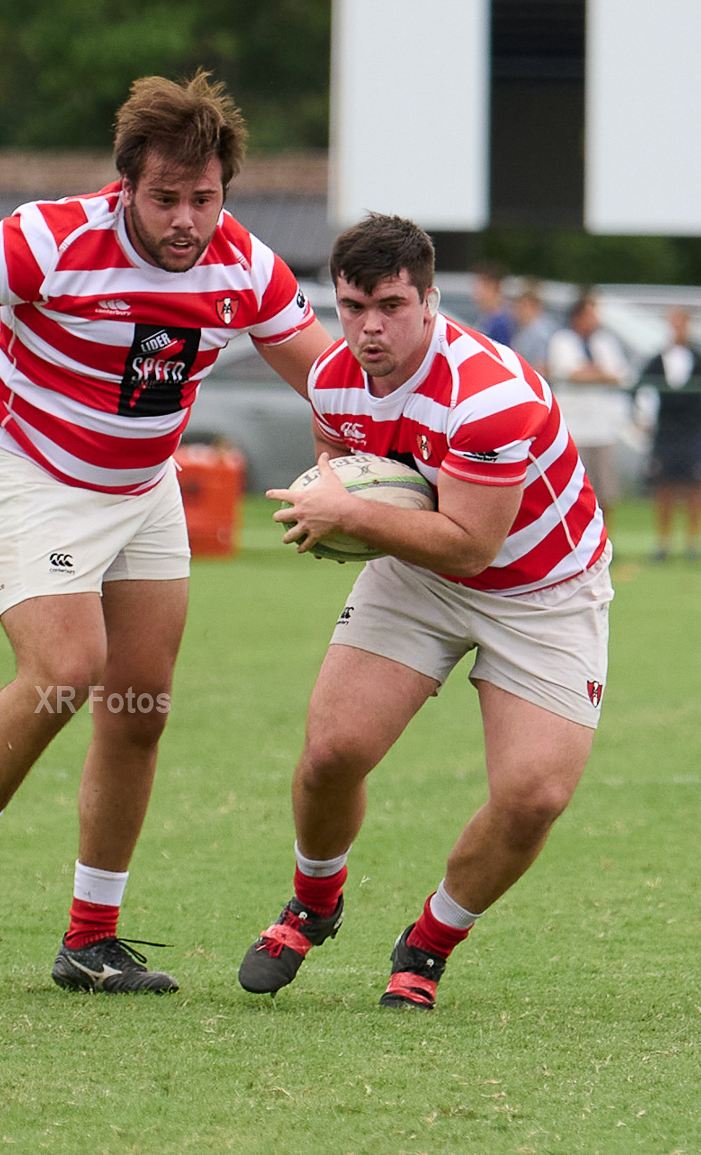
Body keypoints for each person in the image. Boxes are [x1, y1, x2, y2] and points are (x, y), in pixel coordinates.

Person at [0, 71, 331, 994]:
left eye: (203, 198)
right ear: (126, 183)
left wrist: (363, 468)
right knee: (63, 670)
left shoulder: (244, 266)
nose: (185, 219)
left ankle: (90, 939)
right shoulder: (49, 240)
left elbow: (326, 382)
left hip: (140, 484)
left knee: (140, 707)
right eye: (165, 198)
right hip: (22, 467)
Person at [242, 213, 610, 1010]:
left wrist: (349, 515)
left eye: (392, 304)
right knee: (332, 749)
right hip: (418, 569)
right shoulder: (335, 375)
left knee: (535, 796)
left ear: (430, 299)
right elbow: (342, 463)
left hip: (539, 590)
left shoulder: (486, 395)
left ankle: (431, 939)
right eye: (351, 305)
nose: (370, 326)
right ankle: (314, 900)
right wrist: (329, 503)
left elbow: (471, 546)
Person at [634, 308, 701, 561]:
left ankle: (693, 544)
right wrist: (641, 417)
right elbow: (638, 388)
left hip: (692, 430)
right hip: (666, 430)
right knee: (664, 487)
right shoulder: (657, 360)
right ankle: (663, 544)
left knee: (694, 487)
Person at [545, 290, 629, 534]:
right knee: (575, 490)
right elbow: (572, 373)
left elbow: (619, 375)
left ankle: (606, 537)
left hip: (604, 427)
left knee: (606, 490)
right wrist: (600, 373)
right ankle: (578, 537)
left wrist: (594, 373)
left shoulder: (605, 342)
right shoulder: (561, 341)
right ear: (579, 316)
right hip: (575, 427)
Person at [509, 285, 558, 377]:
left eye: (524, 306)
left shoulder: (540, 333)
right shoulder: (522, 329)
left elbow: (541, 366)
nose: (518, 310)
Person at [469, 261, 515, 346]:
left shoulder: (501, 322)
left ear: (492, 286)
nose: (476, 291)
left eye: (480, 286)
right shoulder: (488, 317)